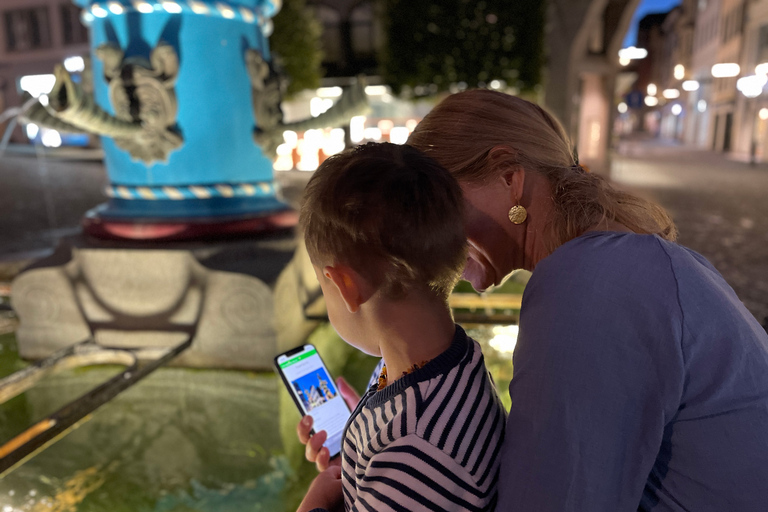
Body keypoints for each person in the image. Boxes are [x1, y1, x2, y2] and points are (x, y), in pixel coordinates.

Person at [402, 89, 768, 511]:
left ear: (508, 176)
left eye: (432, 207)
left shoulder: (586, 288)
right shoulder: (626, 262)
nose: (424, 236)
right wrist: (398, 456)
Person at [295, 142, 506, 512]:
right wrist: (359, 443)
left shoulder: (417, 451)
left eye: (321, 286)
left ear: (345, 286)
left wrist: (315, 503)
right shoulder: (453, 362)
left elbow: (407, 465)